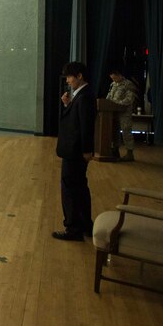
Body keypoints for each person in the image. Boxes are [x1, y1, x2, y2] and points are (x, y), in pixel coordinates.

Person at [53, 61, 96, 241]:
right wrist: (67, 105)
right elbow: (75, 120)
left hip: (75, 153)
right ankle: (85, 224)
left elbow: (86, 127)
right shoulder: (79, 96)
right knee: (80, 188)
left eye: (70, 77)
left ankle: (73, 228)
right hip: (75, 151)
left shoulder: (84, 97)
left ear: (79, 76)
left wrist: (87, 150)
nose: (68, 80)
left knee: (70, 190)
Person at [106, 67, 139, 162]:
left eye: (115, 78)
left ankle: (129, 153)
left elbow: (129, 99)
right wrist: (107, 103)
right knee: (114, 132)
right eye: (112, 79)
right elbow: (108, 97)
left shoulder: (128, 84)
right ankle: (115, 151)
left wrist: (116, 103)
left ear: (120, 75)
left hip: (124, 113)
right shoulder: (112, 84)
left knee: (126, 131)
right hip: (113, 113)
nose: (114, 80)